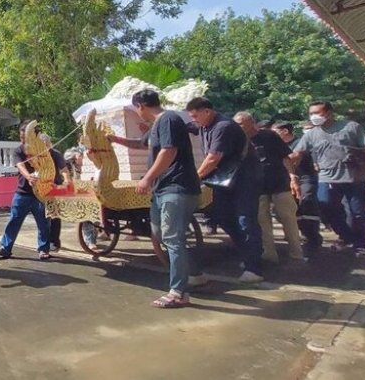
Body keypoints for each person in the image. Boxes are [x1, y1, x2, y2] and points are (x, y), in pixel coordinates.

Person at [109, 89, 203, 307]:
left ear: (141, 105)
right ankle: (196, 275)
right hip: (162, 190)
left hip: (176, 187)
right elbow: (140, 144)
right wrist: (115, 139)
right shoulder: (156, 127)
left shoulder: (168, 119)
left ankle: (178, 292)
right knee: (160, 234)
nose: (137, 113)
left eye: (137, 109)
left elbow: (168, 151)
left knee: (172, 238)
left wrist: (147, 178)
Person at [186, 97, 264, 283]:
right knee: (222, 217)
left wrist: (193, 179)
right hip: (224, 181)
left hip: (244, 179)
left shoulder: (223, 127)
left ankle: (254, 268)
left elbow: (213, 159)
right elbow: (186, 127)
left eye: (196, 116)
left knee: (245, 219)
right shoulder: (203, 124)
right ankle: (248, 254)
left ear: (207, 111)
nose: (194, 120)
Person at [292, 100, 365, 258]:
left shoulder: (351, 127)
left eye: (317, 113)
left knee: (358, 213)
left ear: (329, 113)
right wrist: (288, 167)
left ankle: (361, 245)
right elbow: (297, 154)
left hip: (355, 178)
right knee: (325, 206)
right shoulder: (312, 134)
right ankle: (347, 237)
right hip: (327, 178)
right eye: (311, 113)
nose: (314, 116)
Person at [233, 112, 304, 263]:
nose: (237, 127)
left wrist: (292, 177)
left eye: (240, 123)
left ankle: (296, 253)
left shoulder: (269, 136)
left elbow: (285, 157)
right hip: (257, 185)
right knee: (262, 220)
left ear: (251, 122)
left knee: (288, 217)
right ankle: (269, 254)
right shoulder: (239, 140)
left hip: (279, 182)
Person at [0, 121, 52, 261]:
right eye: (21, 137)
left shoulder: (43, 150)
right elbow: (20, 165)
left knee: (44, 223)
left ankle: (43, 250)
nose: (22, 140)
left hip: (41, 193)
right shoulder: (18, 150)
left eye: (24, 137)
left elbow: (49, 166)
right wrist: (28, 176)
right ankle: (5, 248)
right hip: (22, 192)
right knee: (14, 220)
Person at [272, 121, 323, 253]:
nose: (272, 135)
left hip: (305, 177)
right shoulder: (278, 145)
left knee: (306, 204)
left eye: (275, 131)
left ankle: (312, 238)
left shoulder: (301, 142)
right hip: (286, 180)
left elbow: (294, 159)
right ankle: (301, 234)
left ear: (285, 131)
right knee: (289, 210)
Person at [39, 133, 70, 253]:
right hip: (41, 188)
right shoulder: (36, 156)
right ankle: (44, 242)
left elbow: (64, 170)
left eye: (45, 145)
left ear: (49, 144)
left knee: (55, 216)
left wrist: (67, 180)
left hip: (55, 186)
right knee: (42, 216)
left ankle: (54, 242)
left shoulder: (56, 154)